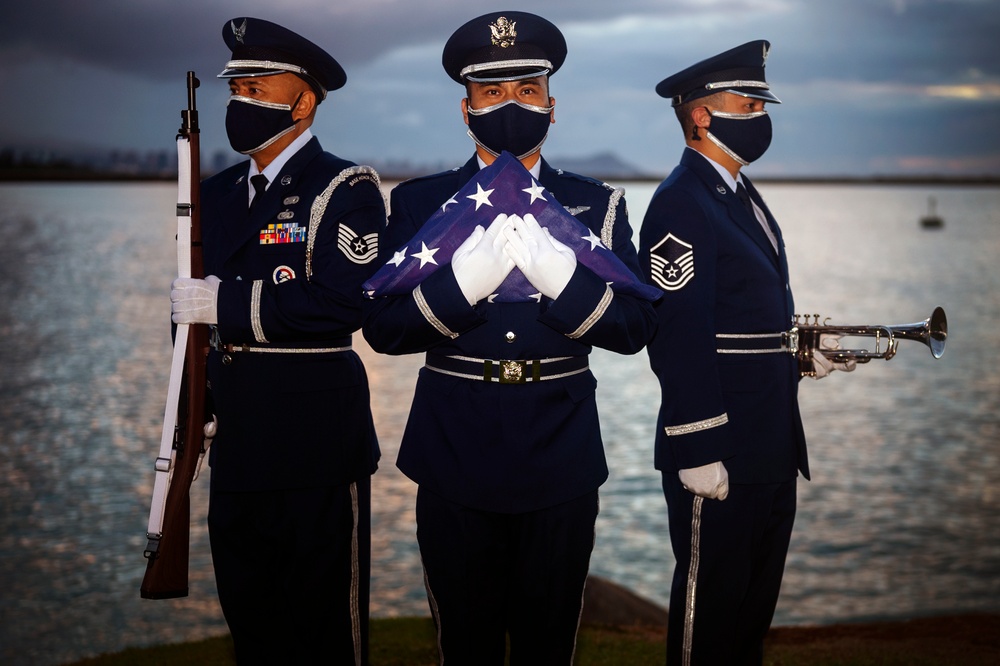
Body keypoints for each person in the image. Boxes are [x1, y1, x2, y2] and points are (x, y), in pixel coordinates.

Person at [361, 11, 657, 664]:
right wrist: (461, 286)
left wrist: (563, 281)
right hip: (454, 446)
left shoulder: (595, 205)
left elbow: (637, 327)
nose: (511, 106)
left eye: (527, 90)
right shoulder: (420, 204)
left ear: (553, 107)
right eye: (492, 93)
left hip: (561, 447)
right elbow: (382, 327)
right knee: (464, 645)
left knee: (549, 646)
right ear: (465, 110)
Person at [168, 16, 384, 665]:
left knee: (325, 635)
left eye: (261, 86)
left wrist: (227, 304)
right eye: (238, 85)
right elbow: (186, 311)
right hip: (235, 444)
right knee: (254, 629)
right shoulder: (213, 194)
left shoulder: (345, 189)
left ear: (305, 100)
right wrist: (191, 407)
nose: (245, 98)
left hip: (315, 443)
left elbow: (345, 301)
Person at [638, 40, 853, 665]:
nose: (760, 113)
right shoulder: (682, 200)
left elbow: (740, 321)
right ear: (700, 115)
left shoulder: (739, 193)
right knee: (708, 625)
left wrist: (799, 355)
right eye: (747, 100)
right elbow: (676, 335)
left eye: (762, 101)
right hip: (721, 450)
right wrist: (699, 447)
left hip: (769, 446)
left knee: (748, 625)